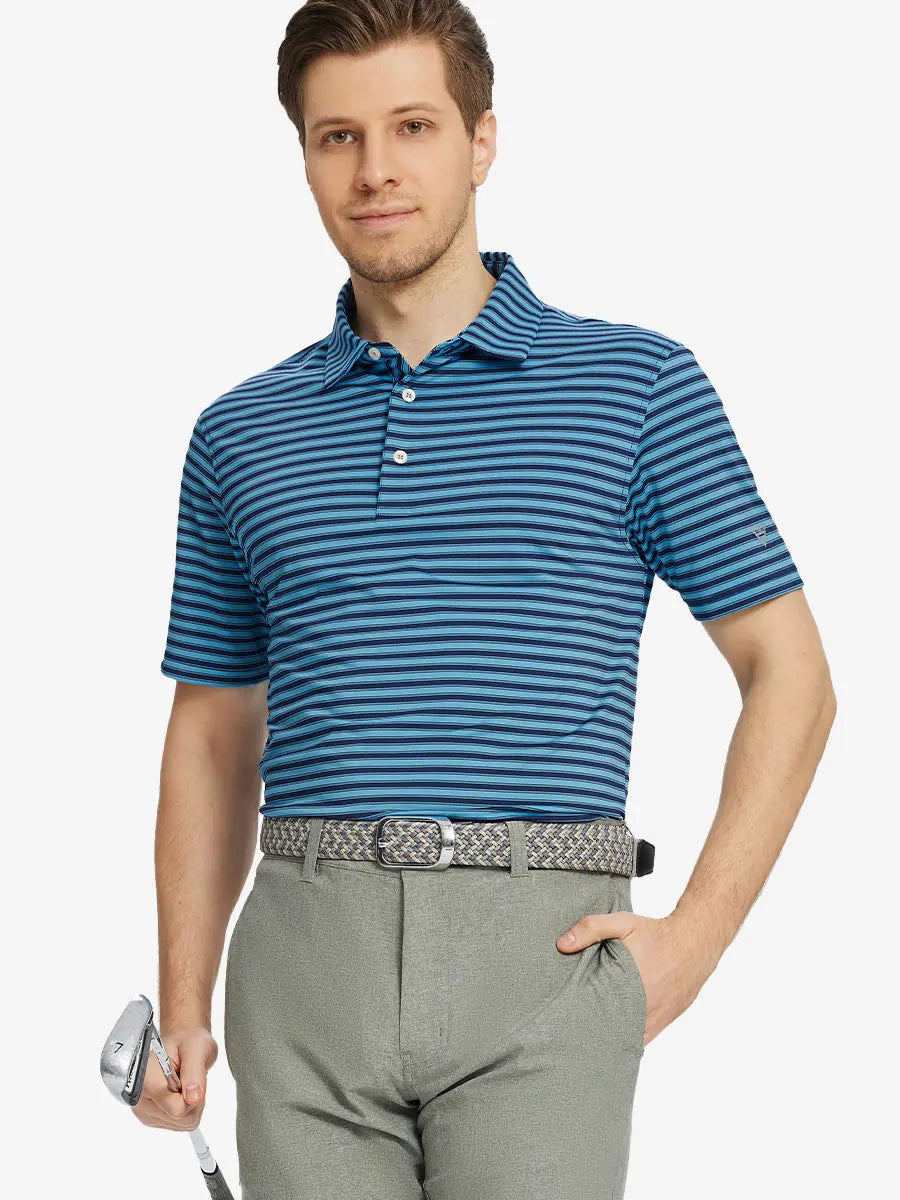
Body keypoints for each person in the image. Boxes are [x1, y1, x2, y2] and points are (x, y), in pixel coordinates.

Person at [137, 2, 837, 1196]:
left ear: (482, 140)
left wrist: (695, 941)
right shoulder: (241, 434)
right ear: (304, 156)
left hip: (543, 959)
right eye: (338, 136)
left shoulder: (636, 388)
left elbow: (793, 676)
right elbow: (211, 733)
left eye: (413, 125)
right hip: (302, 965)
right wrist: (187, 1005)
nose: (376, 170)